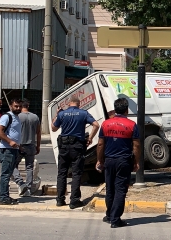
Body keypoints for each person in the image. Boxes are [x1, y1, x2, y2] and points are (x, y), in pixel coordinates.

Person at [96, 98, 140, 228]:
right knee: (120, 190)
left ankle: (109, 215)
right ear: (126, 110)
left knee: (110, 189)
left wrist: (100, 160)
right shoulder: (132, 125)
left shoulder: (106, 124)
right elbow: (136, 146)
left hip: (109, 160)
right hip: (123, 161)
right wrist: (136, 162)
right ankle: (115, 219)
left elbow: (100, 144)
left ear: (115, 110)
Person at [52, 96, 99, 209]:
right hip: (77, 146)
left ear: (69, 104)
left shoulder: (62, 114)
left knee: (62, 173)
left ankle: (60, 199)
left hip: (63, 146)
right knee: (76, 173)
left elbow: (53, 128)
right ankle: (74, 201)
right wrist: (90, 138)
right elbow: (96, 125)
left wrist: (57, 114)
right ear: (79, 104)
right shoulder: (83, 113)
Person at [0, 98, 27, 205]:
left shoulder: (17, 117)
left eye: (19, 106)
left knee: (9, 174)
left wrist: (19, 146)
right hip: (7, 149)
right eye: (15, 106)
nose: (17, 108)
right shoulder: (7, 117)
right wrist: (10, 142)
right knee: (5, 174)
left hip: (14, 149)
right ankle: (3, 197)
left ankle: (6, 196)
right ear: (10, 106)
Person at [12, 100, 42, 194]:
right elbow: (38, 132)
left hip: (19, 145)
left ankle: (20, 182)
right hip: (31, 144)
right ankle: (28, 188)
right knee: (29, 167)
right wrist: (38, 146)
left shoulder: (18, 116)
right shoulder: (35, 117)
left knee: (12, 165)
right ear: (28, 106)